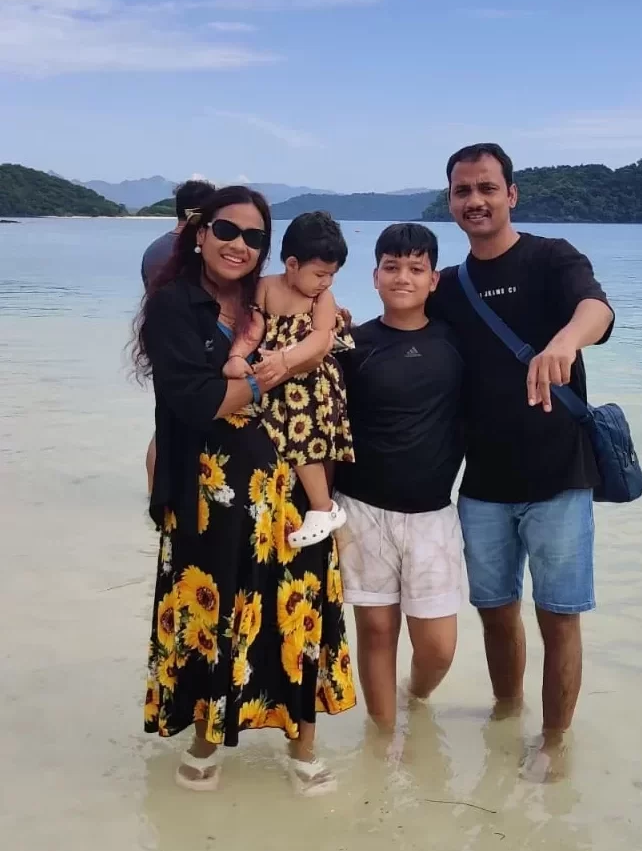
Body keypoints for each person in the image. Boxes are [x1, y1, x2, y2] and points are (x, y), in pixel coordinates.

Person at [133, 186, 356, 795]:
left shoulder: (282, 293)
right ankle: (208, 737)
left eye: (254, 236)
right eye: (227, 230)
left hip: (291, 485)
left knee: (299, 608)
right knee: (218, 612)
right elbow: (196, 402)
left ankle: (302, 746)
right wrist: (269, 378)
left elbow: (325, 350)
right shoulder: (175, 305)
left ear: (268, 247)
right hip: (211, 494)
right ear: (199, 233)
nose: (238, 245)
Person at [428, 143, 614, 775]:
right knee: (495, 611)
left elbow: (598, 309)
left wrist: (564, 342)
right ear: (450, 201)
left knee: (559, 617)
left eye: (487, 187)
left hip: (560, 475)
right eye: (462, 191)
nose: (475, 200)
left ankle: (555, 740)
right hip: (482, 482)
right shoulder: (449, 287)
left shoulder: (552, 257)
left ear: (511, 193)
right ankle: (506, 713)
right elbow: (400, 325)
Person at [333, 223, 464, 730]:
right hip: (362, 509)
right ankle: (382, 740)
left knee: (438, 647)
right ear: (375, 276)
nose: (402, 277)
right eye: (391, 267)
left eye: (415, 268)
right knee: (376, 632)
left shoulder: (456, 342)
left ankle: (415, 695)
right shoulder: (352, 344)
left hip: (432, 513)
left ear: (434, 279)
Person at [224, 211, 354, 548]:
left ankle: (323, 507)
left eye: (332, 275)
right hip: (274, 378)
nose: (327, 282)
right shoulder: (266, 287)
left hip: (311, 380)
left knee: (303, 435)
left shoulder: (321, 298)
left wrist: (286, 359)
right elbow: (254, 328)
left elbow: (320, 338)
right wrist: (237, 355)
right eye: (321, 274)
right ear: (292, 264)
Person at [141, 179, 215, 494]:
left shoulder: (153, 249)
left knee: (164, 422)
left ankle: (154, 492)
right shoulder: (194, 251)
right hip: (193, 345)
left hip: (159, 342)